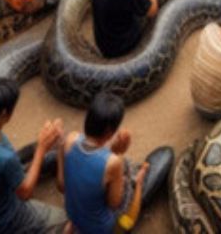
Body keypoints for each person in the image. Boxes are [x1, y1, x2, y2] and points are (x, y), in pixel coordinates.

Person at [0, 77, 65, 234]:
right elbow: (25, 193)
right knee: (65, 219)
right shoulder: (5, 159)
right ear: (4, 114)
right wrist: (42, 148)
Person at [58, 92, 173, 234]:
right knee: (128, 209)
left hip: (72, 213)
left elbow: (62, 185)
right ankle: (140, 183)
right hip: (99, 229)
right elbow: (114, 204)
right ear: (109, 132)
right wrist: (118, 155)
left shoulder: (70, 138)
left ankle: (72, 227)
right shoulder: (112, 163)